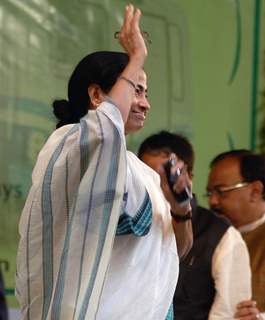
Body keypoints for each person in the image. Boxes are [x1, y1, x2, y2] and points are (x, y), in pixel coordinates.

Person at [16, 5, 193, 320]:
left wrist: (181, 209)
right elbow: (105, 129)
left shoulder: (141, 172)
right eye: (136, 90)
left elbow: (174, 252)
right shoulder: (74, 143)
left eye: (146, 93)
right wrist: (136, 56)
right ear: (96, 94)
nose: (145, 103)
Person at [138, 131, 252, 320]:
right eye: (146, 177)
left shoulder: (222, 236)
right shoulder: (132, 224)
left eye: (163, 179)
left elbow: (228, 315)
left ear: (188, 177)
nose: (154, 187)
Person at [207, 150, 265, 319]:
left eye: (221, 191)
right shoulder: (206, 235)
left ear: (255, 191)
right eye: (210, 193)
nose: (213, 201)